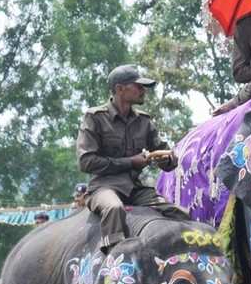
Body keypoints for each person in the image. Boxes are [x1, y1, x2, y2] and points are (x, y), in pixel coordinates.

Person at [76, 65, 183, 253]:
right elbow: (86, 162)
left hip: (135, 189)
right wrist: (131, 162)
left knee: (179, 213)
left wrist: (168, 159)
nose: (143, 91)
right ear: (119, 89)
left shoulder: (144, 121)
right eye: (138, 86)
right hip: (103, 187)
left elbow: (166, 158)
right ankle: (114, 259)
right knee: (114, 209)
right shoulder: (95, 118)